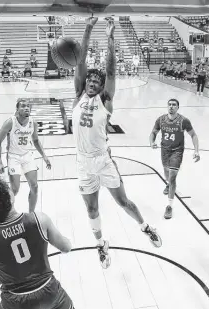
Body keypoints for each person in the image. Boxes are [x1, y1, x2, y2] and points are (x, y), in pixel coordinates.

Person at [72, 17, 162, 269]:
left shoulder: (105, 100)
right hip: (82, 163)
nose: (91, 83)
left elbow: (110, 71)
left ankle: (146, 227)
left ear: (102, 88)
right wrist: (88, 28)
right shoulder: (78, 95)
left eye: (96, 82)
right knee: (91, 209)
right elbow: (80, 63)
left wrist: (110, 36)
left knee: (124, 202)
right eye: (89, 80)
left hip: (102, 159)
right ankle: (101, 244)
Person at [0, 176, 74, 309]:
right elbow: (66, 247)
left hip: (15, 301)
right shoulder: (39, 219)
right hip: (49, 293)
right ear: (10, 197)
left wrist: (7, 260)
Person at [0, 98, 51, 213]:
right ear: (17, 109)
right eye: (23, 106)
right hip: (13, 157)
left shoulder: (33, 122)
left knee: (34, 186)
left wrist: (44, 156)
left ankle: (31, 215)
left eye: (28, 106)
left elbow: (35, 140)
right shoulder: (10, 122)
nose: (26, 108)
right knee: (15, 189)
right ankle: (6, 213)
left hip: (27, 155)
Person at [149, 98, 200, 219]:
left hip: (177, 151)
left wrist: (196, 151)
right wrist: (151, 142)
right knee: (167, 174)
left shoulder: (183, 121)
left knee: (172, 178)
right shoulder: (161, 120)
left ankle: (169, 206)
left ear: (178, 107)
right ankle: (168, 184)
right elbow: (153, 132)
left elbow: (193, 135)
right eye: (170, 104)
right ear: (167, 107)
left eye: (174, 105)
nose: (171, 106)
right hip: (164, 151)